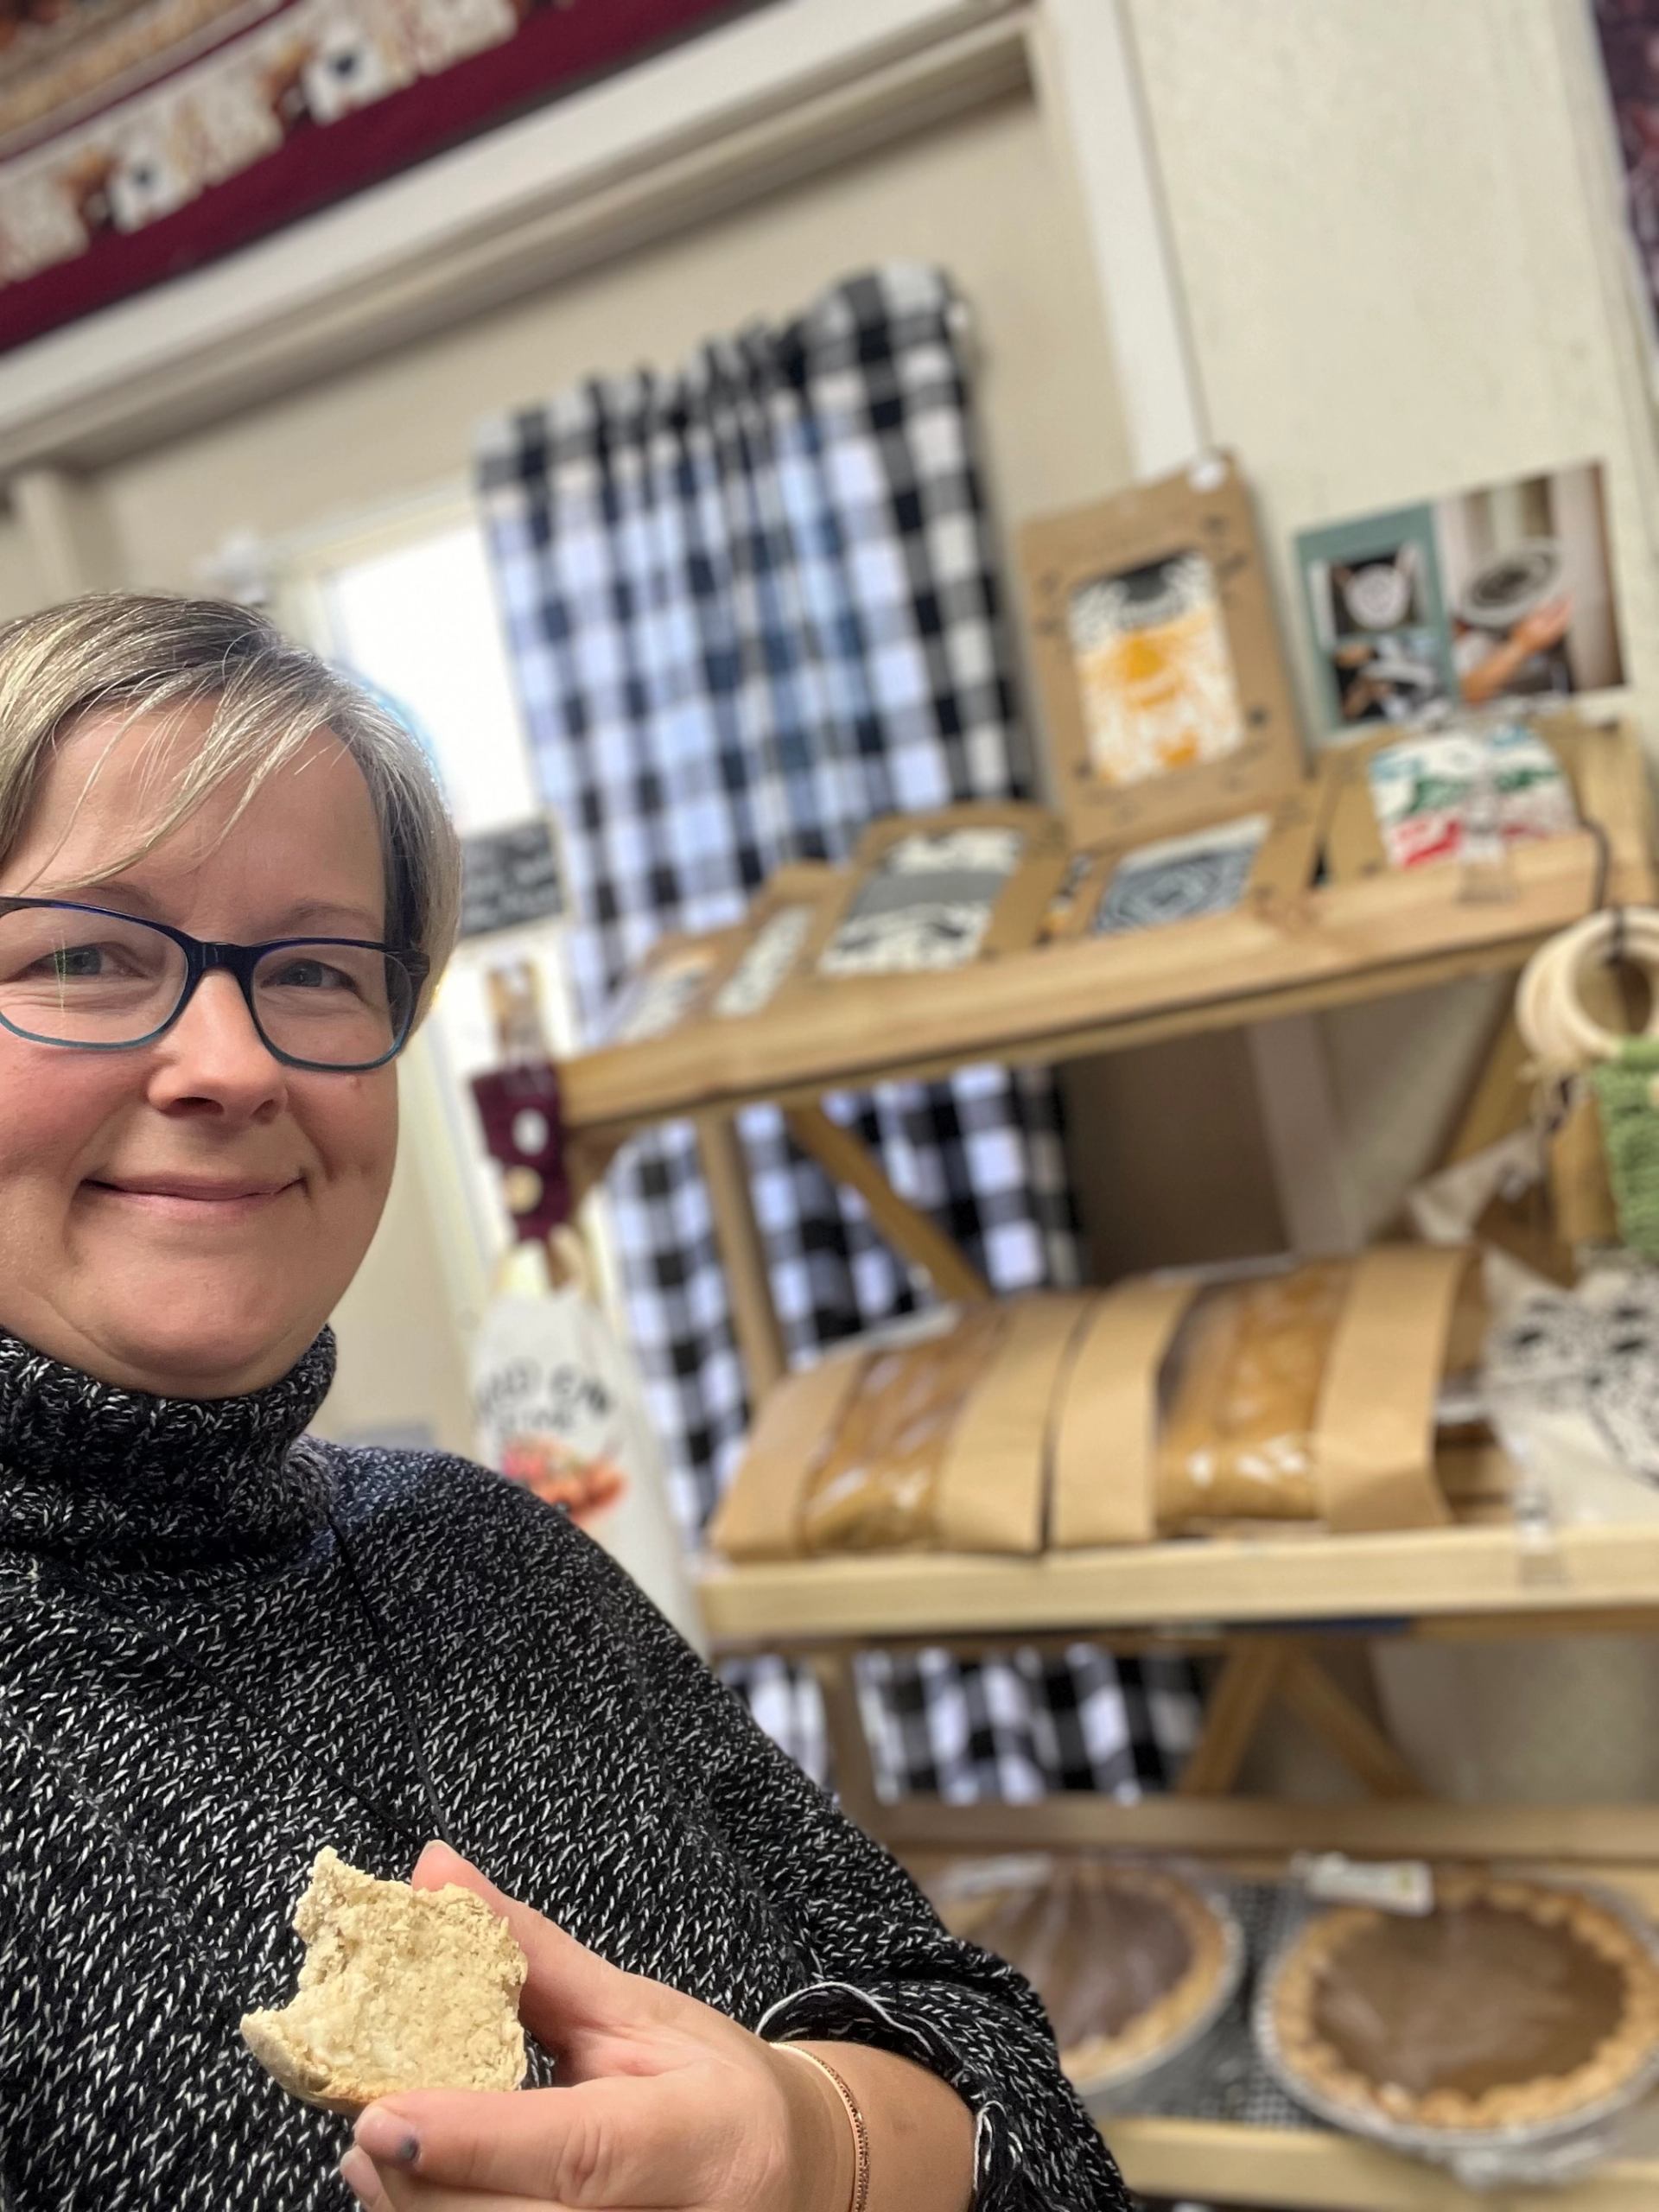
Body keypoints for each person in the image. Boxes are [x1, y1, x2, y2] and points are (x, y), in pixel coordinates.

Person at [0, 594, 1130, 2212]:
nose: (232, 1063)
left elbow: (1001, 2072)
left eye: (315, 970)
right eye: (90, 955)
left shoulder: (484, 1550)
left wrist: (814, 2146)